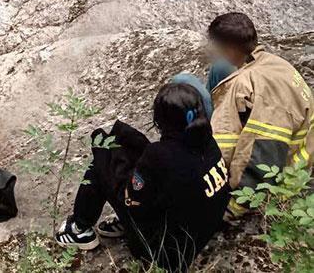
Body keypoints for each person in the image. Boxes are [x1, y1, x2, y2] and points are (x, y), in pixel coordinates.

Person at [56, 83, 230, 272]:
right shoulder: (208, 141)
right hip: (199, 231)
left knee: (102, 156)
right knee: (130, 145)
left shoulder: (160, 156)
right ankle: (104, 224)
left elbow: (131, 201)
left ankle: (79, 228)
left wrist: (113, 167)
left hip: (163, 252)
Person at [205, 12, 313, 219]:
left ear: (228, 49)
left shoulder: (250, 90)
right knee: (219, 70)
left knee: (185, 84)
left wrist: (233, 206)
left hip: (285, 174)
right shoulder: (273, 62)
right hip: (298, 144)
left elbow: (262, 154)